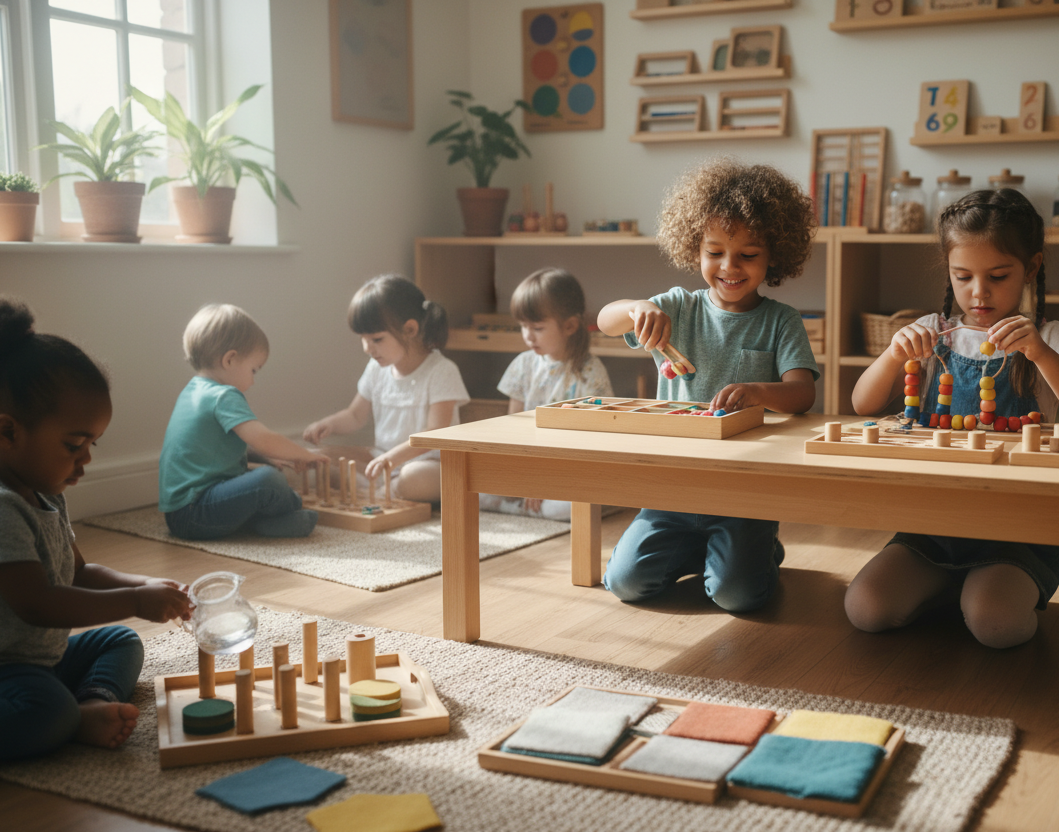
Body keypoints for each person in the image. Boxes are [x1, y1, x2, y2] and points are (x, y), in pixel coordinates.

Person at [846, 188, 1059, 648]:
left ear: (1031, 268)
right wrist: (892, 354)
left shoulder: (1047, 337)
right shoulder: (935, 333)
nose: (979, 291)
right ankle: (954, 590)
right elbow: (863, 406)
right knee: (865, 608)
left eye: (998, 275)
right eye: (963, 276)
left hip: (1018, 532)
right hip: (935, 524)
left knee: (996, 626)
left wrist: (1042, 354)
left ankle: (980, 596)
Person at [596, 158, 819, 613]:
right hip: (673, 489)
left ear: (773, 254)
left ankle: (755, 549)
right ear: (694, 249)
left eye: (748, 255)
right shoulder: (677, 308)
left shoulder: (781, 321)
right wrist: (639, 307)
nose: (729, 266)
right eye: (714, 251)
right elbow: (604, 321)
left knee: (738, 596)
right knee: (625, 583)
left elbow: (802, 394)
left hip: (743, 493)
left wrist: (758, 391)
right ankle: (707, 552)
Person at [0, 297, 193, 762]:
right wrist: (133, 602)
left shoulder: (46, 492)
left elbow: (79, 574)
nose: (86, 460)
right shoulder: (0, 509)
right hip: (3, 669)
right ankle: (71, 716)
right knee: (46, 713)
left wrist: (143, 585)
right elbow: (38, 604)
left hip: (41, 658)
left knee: (119, 641)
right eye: (73, 445)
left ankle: (93, 701)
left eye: (92, 444)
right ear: (7, 433)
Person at [160, 304, 327, 540]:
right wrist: (302, 454)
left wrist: (268, 458)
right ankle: (288, 508)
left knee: (260, 475)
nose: (253, 381)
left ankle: (265, 524)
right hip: (197, 513)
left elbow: (223, 448)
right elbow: (263, 439)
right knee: (268, 480)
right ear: (230, 359)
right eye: (254, 370)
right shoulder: (223, 395)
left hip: (179, 515)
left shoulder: (193, 391)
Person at [303, 275, 469, 503]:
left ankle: (378, 491)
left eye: (376, 339)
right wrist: (327, 424)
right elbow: (354, 415)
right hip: (382, 459)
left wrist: (393, 458)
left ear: (410, 329)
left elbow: (434, 435)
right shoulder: (376, 369)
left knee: (414, 478)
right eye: (363, 339)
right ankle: (379, 490)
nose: (367, 348)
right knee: (319, 457)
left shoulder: (441, 370)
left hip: (430, 464)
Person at [482, 268, 613, 521]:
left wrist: (546, 480)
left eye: (538, 327)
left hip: (570, 467)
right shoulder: (523, 364)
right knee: (478, 488)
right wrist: (525, 477)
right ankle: (524, 505)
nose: (528, 336)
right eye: (523, 326)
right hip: (526, 464)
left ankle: (526, 507)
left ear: (570, 326)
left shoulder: (590, 371)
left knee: (571, 505)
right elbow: (514, 430)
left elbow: (592, 442)